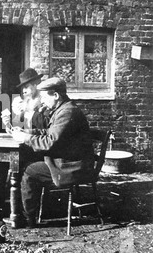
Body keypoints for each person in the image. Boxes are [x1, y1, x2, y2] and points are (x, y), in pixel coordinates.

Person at [9, 77, 95, 228]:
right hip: (68, 160)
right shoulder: (63, 109)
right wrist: (28, 132)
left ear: (55, 95)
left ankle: (26, 218)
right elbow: (49, 132)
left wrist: (25, 138)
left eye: (44, 97)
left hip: (72, 166)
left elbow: (50, 141)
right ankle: (32, 211)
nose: (42, 101)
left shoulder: (67, 112)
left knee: (29, 171)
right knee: (27, 163)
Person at [0, 68, 49, 211]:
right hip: (27, 145)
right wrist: (8, 122)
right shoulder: (24, 103)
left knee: (12, 160)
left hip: (40, 149)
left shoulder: (45, 103)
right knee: (0, 160)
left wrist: (31, 110)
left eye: (27, 87)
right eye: (22, 88)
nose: (23, 91)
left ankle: (16, 208)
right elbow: (16, 130)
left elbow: (45, 130)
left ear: (36, 85)